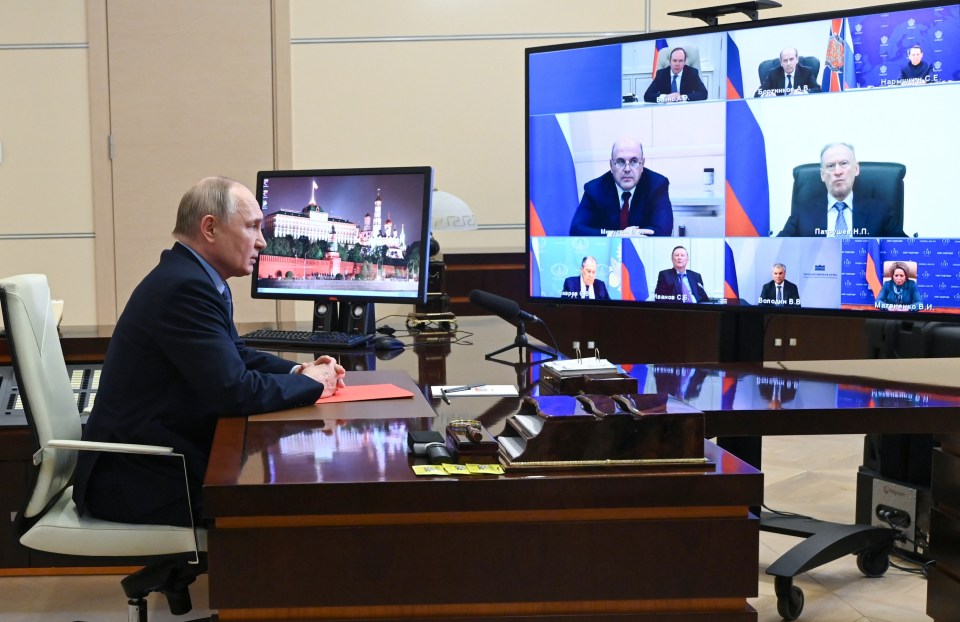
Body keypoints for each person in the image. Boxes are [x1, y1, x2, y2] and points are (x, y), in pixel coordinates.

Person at [73, 176, 346, 527]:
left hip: (159, 459)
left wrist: (299, 371)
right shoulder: (185, 288)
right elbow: (234, 390)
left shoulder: (194, 278)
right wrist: (313, 384)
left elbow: (237, 354)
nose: (262, 242)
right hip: (139, 478)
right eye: (252, 227)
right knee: (287, 500)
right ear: (210, 228)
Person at [777, 142, 906, 238]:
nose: (838, 172)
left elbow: (907, 250)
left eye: (844, 163)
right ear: (822, 175)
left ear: (856, 169)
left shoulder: (879, 211)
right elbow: (778, 248)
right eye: (831, 166)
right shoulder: (803, 213)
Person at [569, 137, 673, 237]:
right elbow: (576, 230)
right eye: (620, 161)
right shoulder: (594, 190)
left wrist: (630, 236)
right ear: (611, 165)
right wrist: (618, 235)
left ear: (642, 164)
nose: (627, 169)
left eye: (634, 161)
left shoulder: (657, 185)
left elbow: (663, 230)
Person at [643, 47, 708, 103]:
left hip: (685, 109)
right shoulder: (661, 74)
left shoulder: (691, 73)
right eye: (674, 60)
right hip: (666, 109)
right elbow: (647, 96)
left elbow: (704, 93)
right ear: (670, 62)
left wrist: (682, 98)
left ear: (684, 62)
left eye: (680, 61)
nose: (677, 64)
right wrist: (665, 97)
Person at [755, 47, 821, 97]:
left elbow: (818, 89)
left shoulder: (806, 72)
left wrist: (803, 93)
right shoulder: (773, 74)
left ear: (797, 60)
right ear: (781, 62)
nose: (788, 63)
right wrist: (765, 95)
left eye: (791, 59)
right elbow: (758, 93)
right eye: (785, 60)